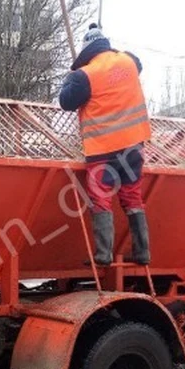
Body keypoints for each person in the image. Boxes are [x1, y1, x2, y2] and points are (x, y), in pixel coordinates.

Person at [59, 23, 151, 266]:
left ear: (86, 51)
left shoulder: (84, 76)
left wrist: (71, 78)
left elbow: (66, 102)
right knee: (132, 196)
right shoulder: (129, 61)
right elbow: (131, 70)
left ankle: (103, 255)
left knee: (101, 198)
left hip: (103, 149)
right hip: (134, 145)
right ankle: (142, 253)